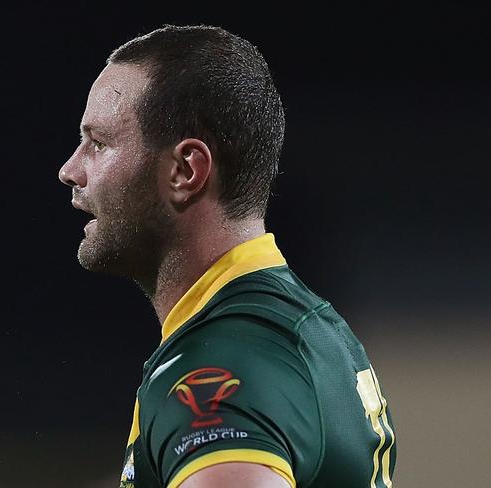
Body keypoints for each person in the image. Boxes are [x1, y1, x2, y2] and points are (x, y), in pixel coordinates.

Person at [58, 24, 396, 488]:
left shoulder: (221, 366)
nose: (70, 169)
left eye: (98, 143)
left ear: (185, 170)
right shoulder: (298, 329)